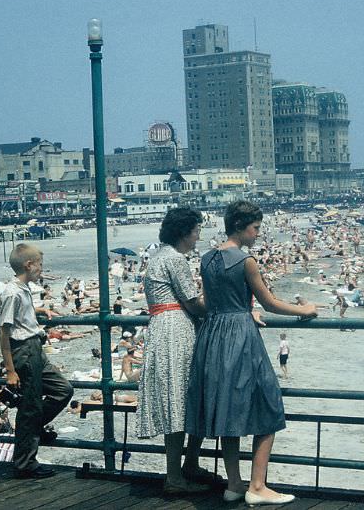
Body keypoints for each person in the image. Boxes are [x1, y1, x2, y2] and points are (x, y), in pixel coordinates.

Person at [186, 200, 316, 505]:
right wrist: (304, 309)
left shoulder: (206, 259)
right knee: (268, 405)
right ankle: (257, 486)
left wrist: (241, 309)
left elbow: (211, 300)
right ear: (241, 227)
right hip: (240, 337)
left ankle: (234, 484)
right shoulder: (246, 261)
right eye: (255, 228)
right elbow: (269, 303)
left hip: (213, 335)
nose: (258, 233)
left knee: (228, 409)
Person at [137, 207, 210, 494]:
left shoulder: (157, 257)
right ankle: (177, 476)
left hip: (159, 326)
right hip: (176, 328)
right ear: (184, 232)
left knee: (174, 397)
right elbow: (192, 302)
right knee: (181, 399)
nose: (198, 236)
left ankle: (183, 468)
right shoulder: (176, 260)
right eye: (196, 231)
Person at [0, 243, 73, 479]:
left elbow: (21, 318)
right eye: (40, 265)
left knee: (63, 390)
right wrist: (10, 370)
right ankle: (25, 464)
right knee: (29, 408)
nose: (42, 269)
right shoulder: (12, 292)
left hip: (35, 348)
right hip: (25, 351)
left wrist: (40, 312)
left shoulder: (23, 289)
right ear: (29, 265)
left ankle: (35, 429)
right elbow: (5, 332)